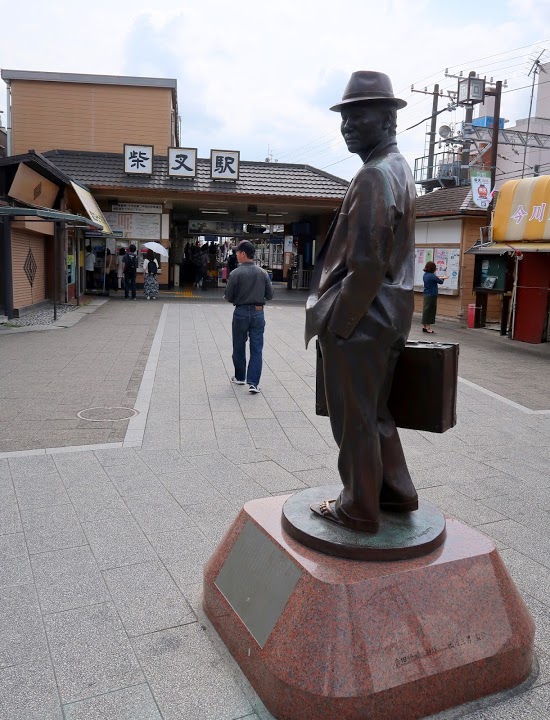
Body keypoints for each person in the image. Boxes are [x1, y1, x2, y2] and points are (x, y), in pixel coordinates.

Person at [305, 71, 417, 533]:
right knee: (375, 412)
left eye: (359, 114)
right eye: (344, 116)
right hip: (389, 315)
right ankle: (395, 491)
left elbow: (367, 262)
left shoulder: (374, 174)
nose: (348, 124)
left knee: (354, 420)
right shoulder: (399, 167)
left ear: (388, 119)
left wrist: (340, 324)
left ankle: (358, 507)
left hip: (363, 318)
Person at [225, 240, 273, 394]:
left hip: (241, 313)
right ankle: (253, 383)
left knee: (238, 345)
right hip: (258, 313)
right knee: (257, 348)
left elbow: (229, 296)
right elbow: (270, 295)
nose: (236, 254)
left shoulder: (235, 273)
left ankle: (240, 377)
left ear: (243, 254)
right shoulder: (263, 273)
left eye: (237, 252)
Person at [422, 261, 448, 333]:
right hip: (432, 295)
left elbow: (435, 279)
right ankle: (428, 327)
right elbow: (440, 282)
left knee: (426, 311)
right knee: (431, 311)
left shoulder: (425, 275)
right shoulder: (432, 275)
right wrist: (444, 278)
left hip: (426, 294)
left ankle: (424, 326)